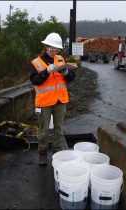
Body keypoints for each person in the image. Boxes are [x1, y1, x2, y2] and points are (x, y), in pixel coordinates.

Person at [29, 32, 75, 166]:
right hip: (45, 102)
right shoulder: (36, 63)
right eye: (52, 48)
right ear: (46, 46)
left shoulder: (60, 59)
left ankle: (56, 152)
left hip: (60, 100)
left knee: (58, 129)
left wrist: (66, 72)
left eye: (57, 49)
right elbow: (35, 81)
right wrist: (46, 72)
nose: (54, 51)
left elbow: (71, 78)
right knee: (43, 130)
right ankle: (42, 153)